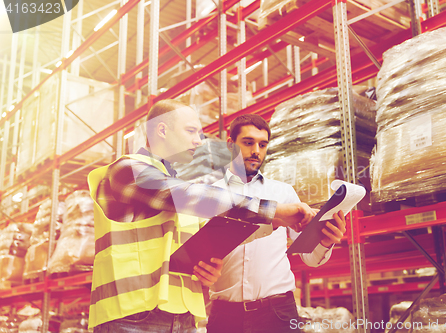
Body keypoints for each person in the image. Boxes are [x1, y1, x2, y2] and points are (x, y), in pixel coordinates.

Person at [87, 100, 318, 333]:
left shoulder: (178, 195)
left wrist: (207, 271)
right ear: (162, 130)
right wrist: (273, 211)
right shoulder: (128, 170)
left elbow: (217, 232)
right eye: (190, 131)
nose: (198, 141)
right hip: (131, 318)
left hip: (181, 318)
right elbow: (191, 197)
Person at [207, 114, 347, 333]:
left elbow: (309, 256)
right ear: (230, 144)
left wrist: (325, 242)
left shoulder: (282, 192)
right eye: (248, 142)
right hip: (225, 317)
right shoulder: (211, 194)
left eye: (262, 145)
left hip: (278, 313)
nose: (256, 151)